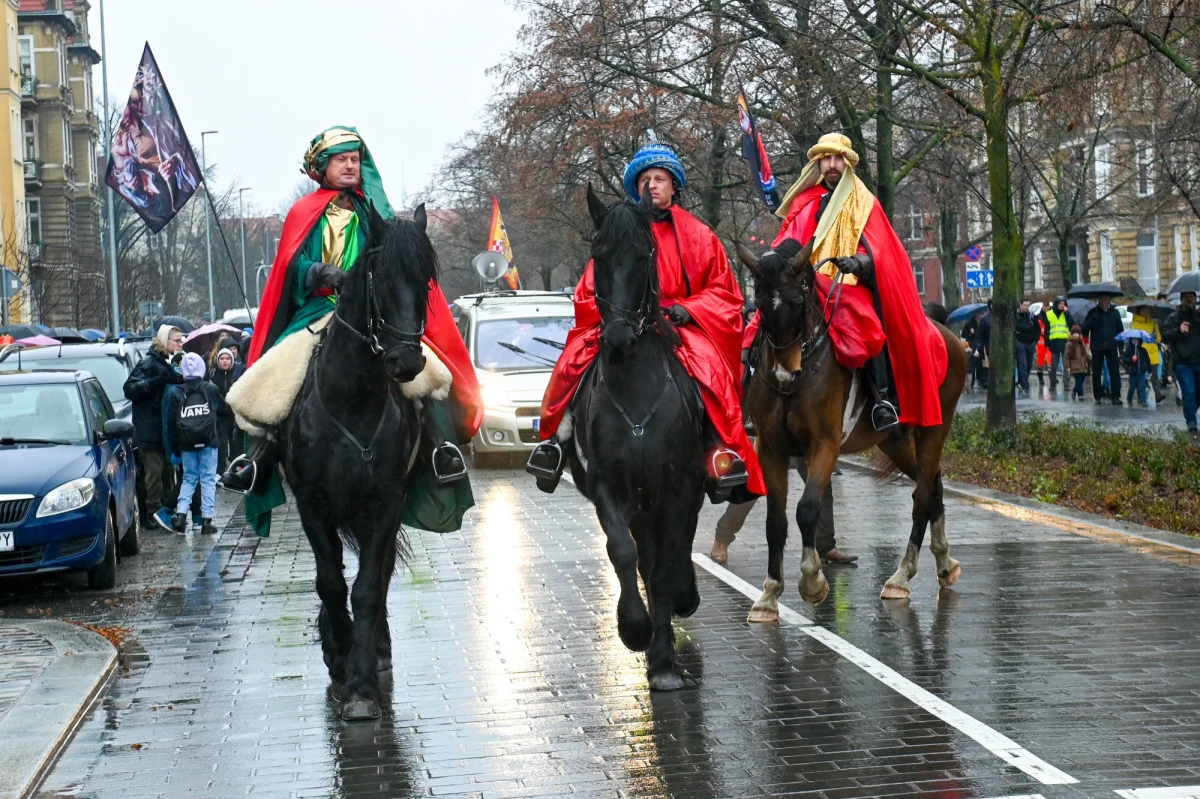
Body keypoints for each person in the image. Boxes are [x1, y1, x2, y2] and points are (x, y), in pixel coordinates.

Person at [220, 126, 483, 537]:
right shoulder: (304, 212)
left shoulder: (372, 211)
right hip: (318, 309)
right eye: (341, 159)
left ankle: (440, 448)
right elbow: (292, 267)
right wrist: (322, 272)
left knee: (430, 375)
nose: (349, 166)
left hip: (372, 316)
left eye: (355, 159)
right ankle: (258, 456)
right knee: (274, 378)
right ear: (323, 168)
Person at [528, 141, 764, 499]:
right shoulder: (618, 229)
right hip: (621, 322)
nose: (651, 185)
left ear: (674, 187)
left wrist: (691, 309)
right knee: (570, 366)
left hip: (680, 326)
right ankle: (555, 444)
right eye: (645, 179)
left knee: (711, 374)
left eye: (659, 178)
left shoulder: (701, 237)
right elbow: (589, 288)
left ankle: (721, 452)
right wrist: (613, 315)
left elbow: (724, 293)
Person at [768, 133, 946, 431]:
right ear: (818, 163)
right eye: (826, 159)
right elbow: (787, 242)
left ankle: (882, 401)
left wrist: (859, 262)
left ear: (847, 162)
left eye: (838, 158)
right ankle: (752, 401)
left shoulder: (864, 202)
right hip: (805, 286)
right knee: (760, 324)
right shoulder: (803, 201)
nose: (832, 165)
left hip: (846, 284)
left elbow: (883, 251)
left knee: (868, 327)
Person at [709, 457, 855, 565]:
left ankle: (825, 546)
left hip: (808, 434)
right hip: (777, 433)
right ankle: (722, 538)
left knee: (821, 486)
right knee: (753, 488)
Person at [123, 324, 185, 531]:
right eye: (177, 340)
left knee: (169, 473)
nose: (181, 343)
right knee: (153, 475)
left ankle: (166, 511)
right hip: (150, 430)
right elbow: (130, 389)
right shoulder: (149, 362)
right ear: (164, 341)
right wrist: (157, 381)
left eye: (181, 340)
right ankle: (151, 513)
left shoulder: (175, 362)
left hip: (167, 430)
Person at [162, 353, 221, 535]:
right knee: (208, 479)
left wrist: (174, 449)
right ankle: (206, 520)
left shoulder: (176, 392)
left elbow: (171, 424)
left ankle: (180, 515)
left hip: (186, 443)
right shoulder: (211, 388)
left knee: (189, 478)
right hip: (209, 441)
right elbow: (220, 411)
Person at [1162, 291, 1200, 440]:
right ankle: (1191, 421)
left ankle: (1189, 410)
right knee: (1189, 392)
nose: (1189, 299)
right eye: (1186, 297)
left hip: (1199, 360)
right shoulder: (1174, 317)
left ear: (1195, 299)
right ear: (1182, 299)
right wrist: (1178, 330)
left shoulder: (1198, 316)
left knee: (1197, 393)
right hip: (1183, 363)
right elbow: (1164, 335)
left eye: (1192, 297)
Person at [1082, 293, 1124, 405]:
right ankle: (1098, 396)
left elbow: (1120, 330)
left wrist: (1121, 347)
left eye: (1107, 299)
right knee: (1096, 372)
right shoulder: (1093, 312)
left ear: (1109, 300)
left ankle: (1116, 396)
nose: (1105, 302)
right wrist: (1093, 319)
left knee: (1114, 372)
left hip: (1111, 346)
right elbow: (1085, 328)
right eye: (1103, 299)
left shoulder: (1115, 313)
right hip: (1097, 347)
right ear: (1099, 300)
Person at [208, 347, 242, 470]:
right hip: (219, 415)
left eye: (228, 358)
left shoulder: (237, 373)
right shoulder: (212, 374)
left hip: (234, 414)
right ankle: (220, 470)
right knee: (221, 443)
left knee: (236, 444)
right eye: (222, 358)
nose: (225, 361)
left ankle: (235, 469)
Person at [1129, 304, 1166, 403]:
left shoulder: (1153, 323)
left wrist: (1154, 337)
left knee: (1154, 375)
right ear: (1139, 312)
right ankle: (1141, 395)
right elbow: (1132, 338)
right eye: (1143, 311)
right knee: (1140, 375)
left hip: (1153, 353)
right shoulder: (1134, 324)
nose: (1146, 313)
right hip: (1141, 352)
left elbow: (1159, 338)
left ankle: (1158, 394)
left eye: (1147, 310)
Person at [1038, 296, 1074, 392]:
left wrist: (1067, 312)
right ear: (1056, 304)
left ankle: (1066, 384)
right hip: (1054, 342)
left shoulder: (1066, 314)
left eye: (1064, 304)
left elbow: (1072, 323)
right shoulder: (1049, 313)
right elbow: (1044, 322)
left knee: (1066, 364)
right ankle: (1052, 384)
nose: (1062, 305)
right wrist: (1047, 341)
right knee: (1054, 364)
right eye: (1060, 303)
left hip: (1064, 341)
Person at [1014, 299, 1039, 394]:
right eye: (1024, 305)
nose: (1026, 307)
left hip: (1030, 342)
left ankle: (1022, 380)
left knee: (1028, 364)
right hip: (1019, 341)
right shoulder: (1016, 317)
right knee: (1022, 363)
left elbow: (1037, 329)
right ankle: (1025, 384)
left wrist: (1035, 339)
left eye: (1028, 305)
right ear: (1020, 305)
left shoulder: (1032, 317)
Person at [1122, 333, 1151, 407]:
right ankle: (1129, 398)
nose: (1134, 341)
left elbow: (1147, 361)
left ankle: (1143, 401)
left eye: (1136, 340)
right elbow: (1124, 359)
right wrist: (1131, 360)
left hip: (1141, 372)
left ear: (1139, 340)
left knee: (1142, 386)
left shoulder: (1143, 350)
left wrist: (1150, 371)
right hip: (1133, 372)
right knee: (1132, 387)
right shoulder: (1129, 350)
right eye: (1132, 340)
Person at [1065, 325, 1091, 401]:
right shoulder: (1069, 344)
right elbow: (1066, 356)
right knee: (1078, 381)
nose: (1075, 334)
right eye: (1074, 333)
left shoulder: (1081, 343)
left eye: (1077, 333)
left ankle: (1074, 390)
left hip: (1083, 366)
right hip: (1074, 366)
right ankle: (1080, 395)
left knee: (1081, 381)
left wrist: (1089, 359)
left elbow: (1085, 354)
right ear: (1071, 334)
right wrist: (1068, 367)